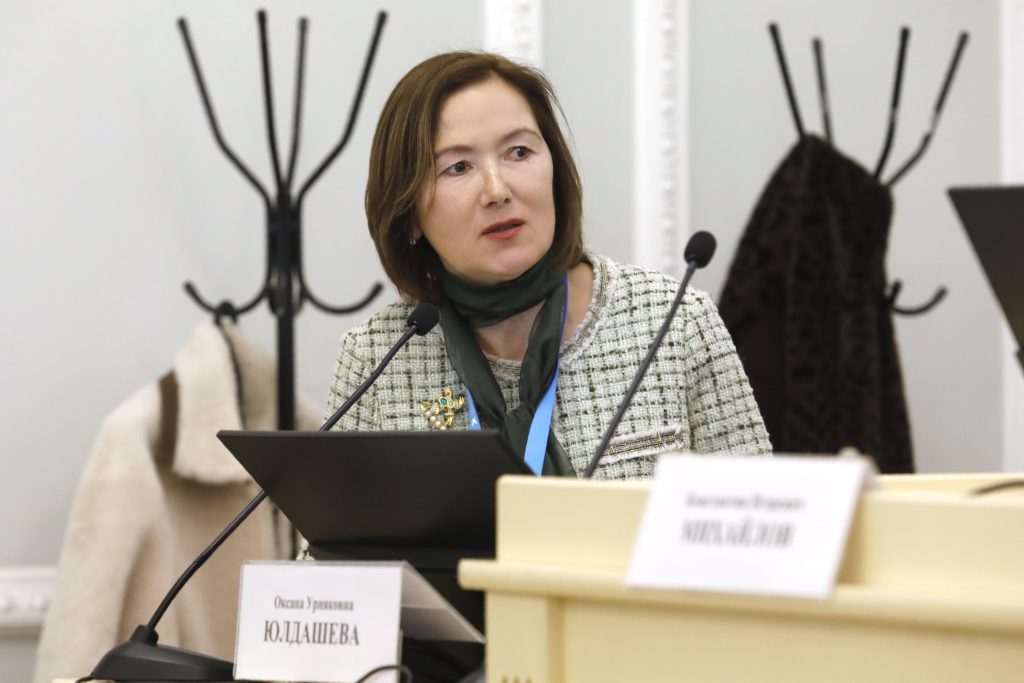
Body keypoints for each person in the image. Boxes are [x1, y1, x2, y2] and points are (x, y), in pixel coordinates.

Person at [327, 51, 771, 477]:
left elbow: (761, 516)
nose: (497, 190)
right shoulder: (376, 357)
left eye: (519, 152)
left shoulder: (672, 321)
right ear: (408, 214)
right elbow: (330, 533)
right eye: (458, 167)